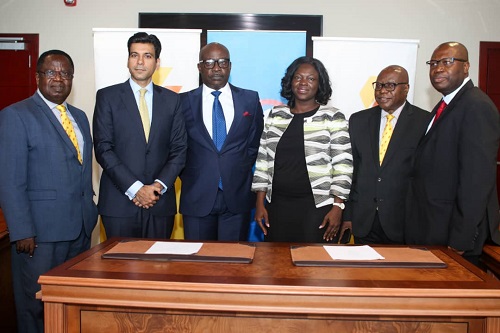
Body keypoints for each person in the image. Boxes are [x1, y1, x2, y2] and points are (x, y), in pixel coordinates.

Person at [0, 50, 98, 333]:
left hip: (79, 230)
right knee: (36, 307)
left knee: (71, 303)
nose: (59, 78)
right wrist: (22, 230)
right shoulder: (16, 115)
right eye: (51, 72)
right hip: (39, 236)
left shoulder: (79, 117)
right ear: (38, 77)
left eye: (65, 73)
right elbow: (10, 179)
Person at [405, 42, 500, 264]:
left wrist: (461, 239)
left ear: (466, 67)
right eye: (434, 63)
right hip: (433, 228)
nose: (438, 68)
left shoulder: (476, 106)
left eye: (447, 61)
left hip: (454, 238)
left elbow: (476, 181)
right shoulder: (446, 105)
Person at [93, 32, 187, 239]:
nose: (140, 62)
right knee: (118, 269)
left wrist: (156, 187)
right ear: (128, 60)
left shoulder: (172, 101)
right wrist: (136, 189)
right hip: (119, 204)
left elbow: (179, 150)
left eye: (147, 56)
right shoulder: (107, 97)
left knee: (159, 268)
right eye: (134, 55)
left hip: (160, 203)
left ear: (157, 62)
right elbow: (103, 148)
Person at [252, 56, 353, 243]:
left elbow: (343, 165)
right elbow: (263, 161)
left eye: (311, 78)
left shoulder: (332, 117)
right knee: (277, 266)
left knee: (313, 268)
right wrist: (260, 202)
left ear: (319, 84)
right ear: (290, 81)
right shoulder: (276, 115)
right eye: (298, 77)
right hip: (277, 207)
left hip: (318, 208)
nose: (303, 82)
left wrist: (338, 207)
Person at [179, 42, 264, 241]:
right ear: (199, 67)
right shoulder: (182, 102)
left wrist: (236, 168)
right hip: (197, 196)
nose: (216, 68)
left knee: (234, 265)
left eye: (222, 62)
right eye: (209, 62)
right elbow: (177, 148)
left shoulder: (250, 99)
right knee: (198, 264)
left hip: (236, 197)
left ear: (230, 66)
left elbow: (254, 145)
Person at [341, 65, 430, 245]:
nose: (382, 91)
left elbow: (426, 176)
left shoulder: (424, 122)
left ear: (406, 88)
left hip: (404, 222)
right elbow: (352, 172)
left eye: (390, 85)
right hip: (363, 221)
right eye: (379, 85)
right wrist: (348, 215)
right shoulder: (358, 121)